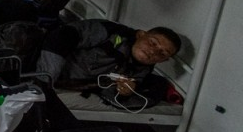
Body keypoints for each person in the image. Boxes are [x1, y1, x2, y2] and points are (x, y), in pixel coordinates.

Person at [36, 19, 181, 97]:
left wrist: (126, 91)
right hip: (38, 63)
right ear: (140, 35)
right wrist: (45, 81)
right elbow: (62, 36)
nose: (153, 51)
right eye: (153, 43)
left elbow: (113, 92)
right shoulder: (111, 32)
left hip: (68, 85)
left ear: (163, 61)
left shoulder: (143, 70)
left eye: (162, 53)